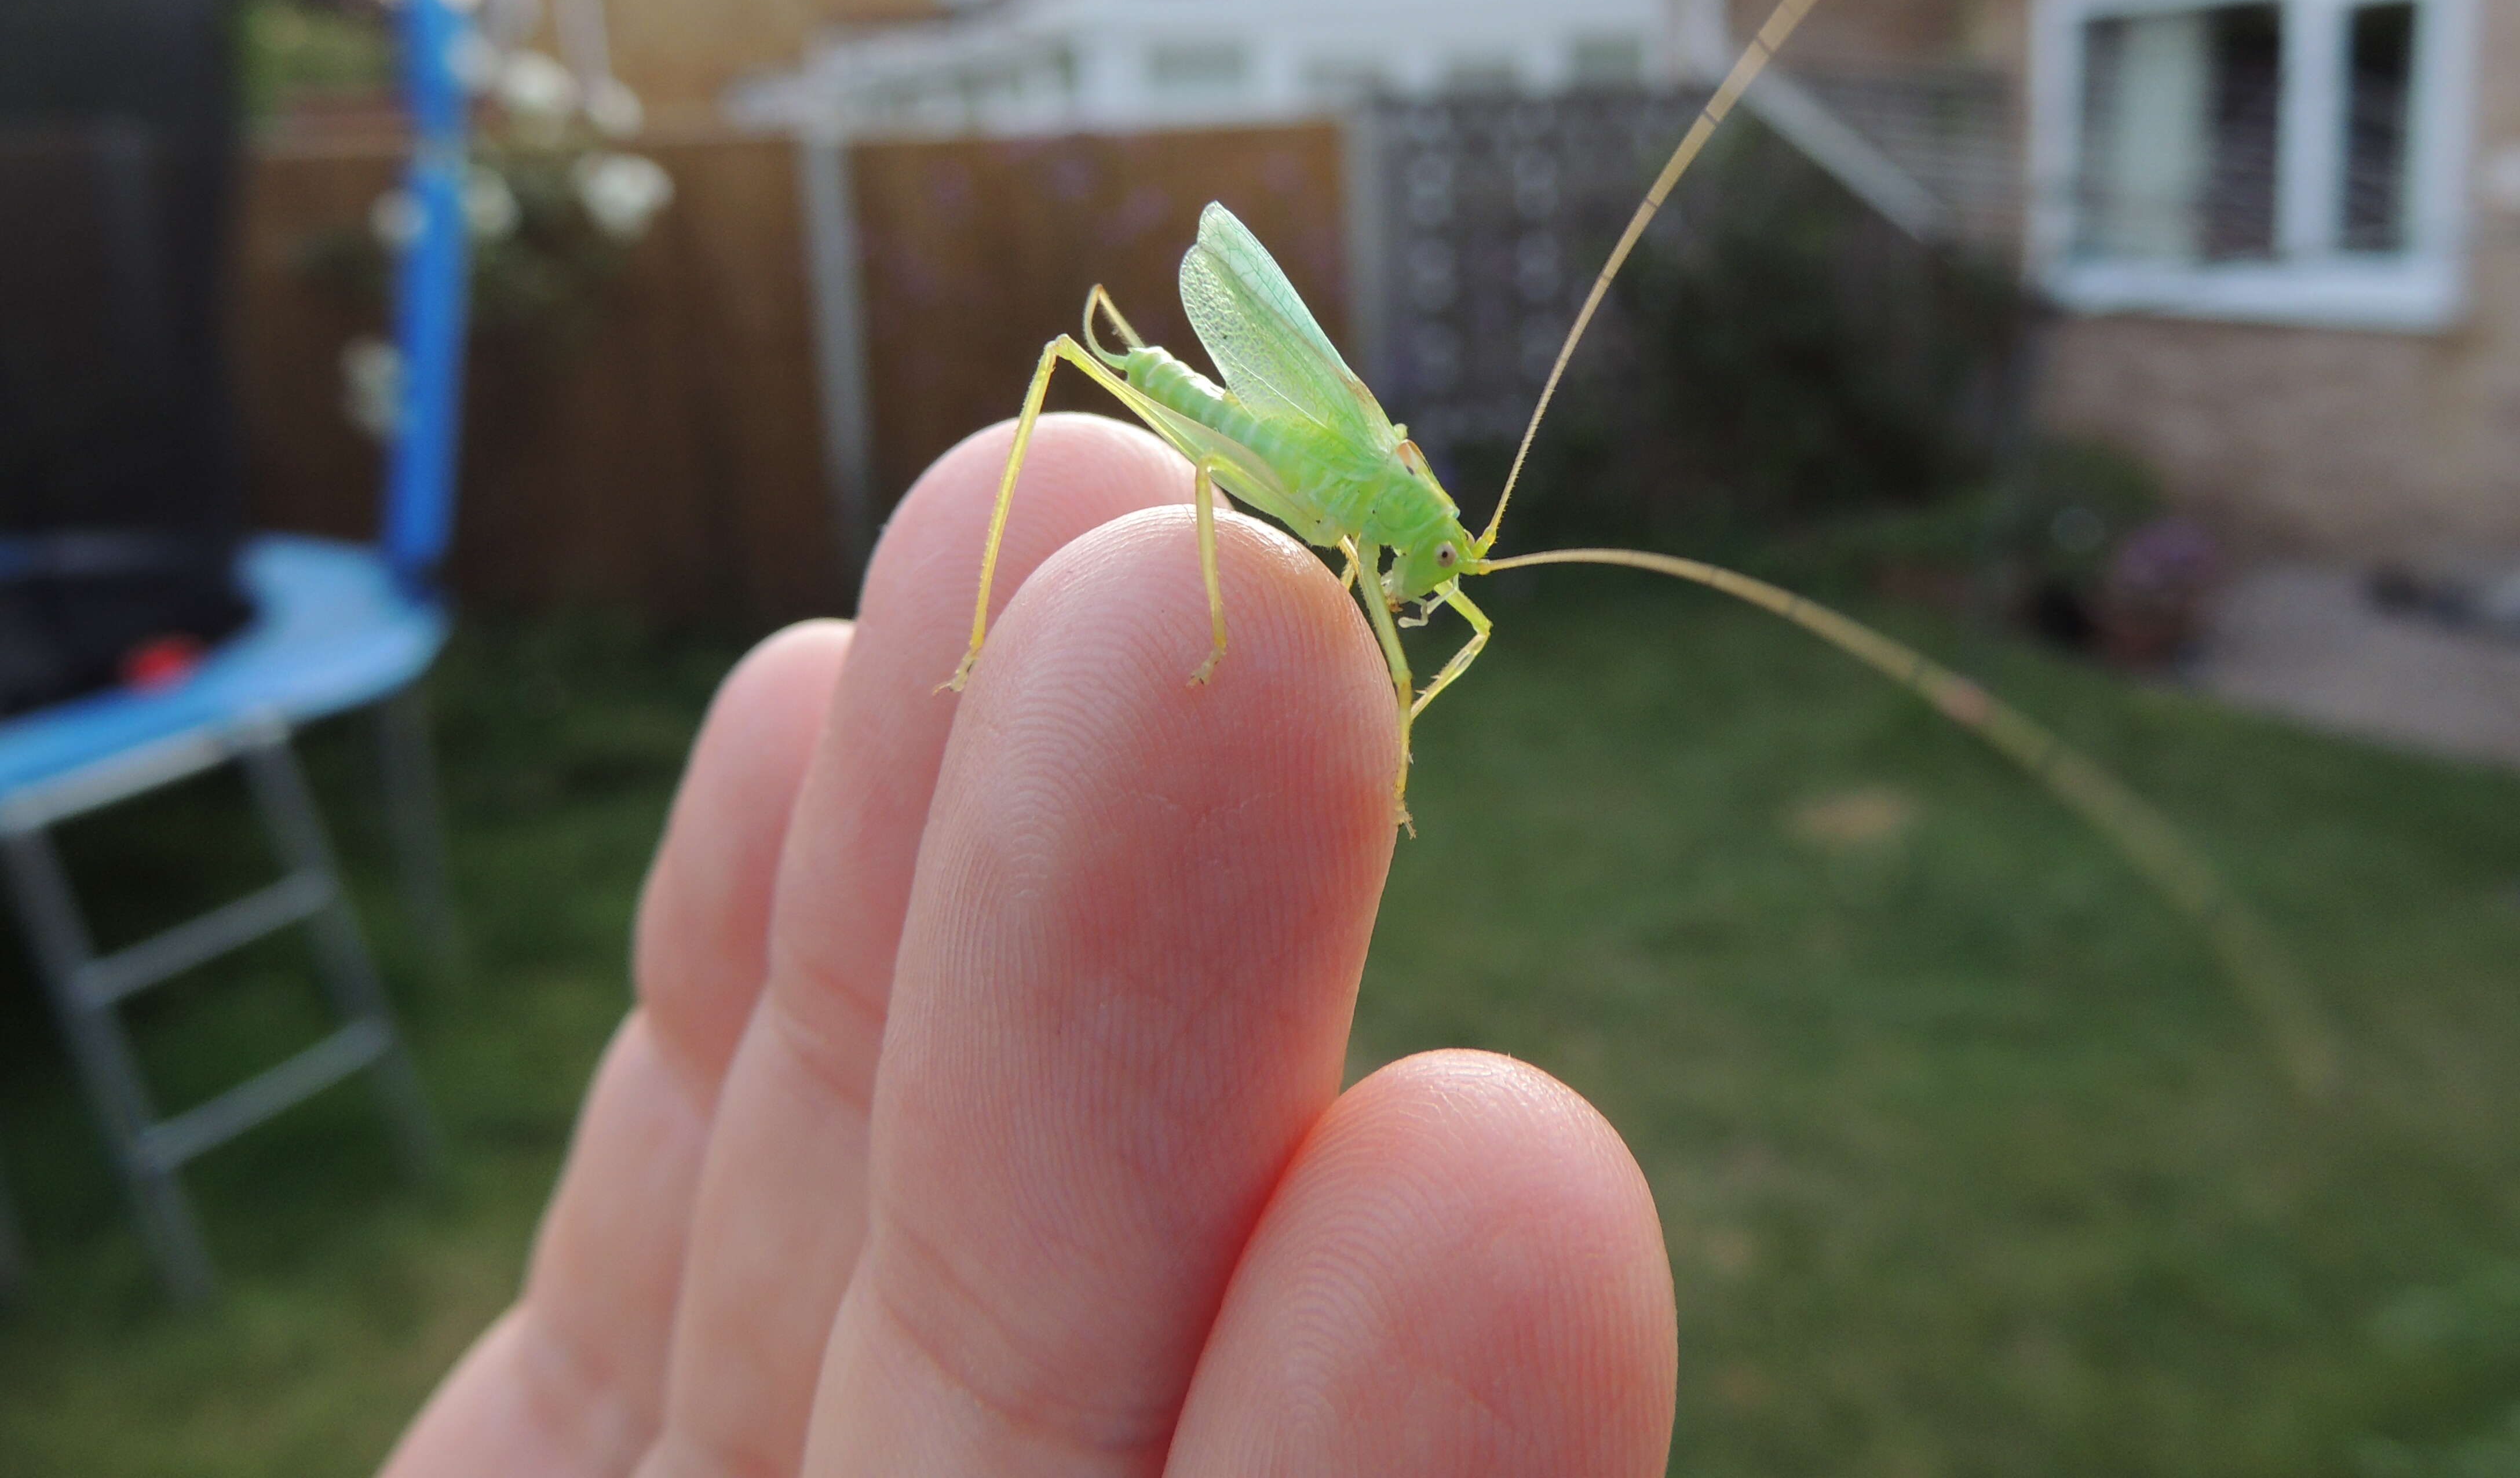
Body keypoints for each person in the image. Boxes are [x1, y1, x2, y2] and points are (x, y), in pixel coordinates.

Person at [382, 415, 1679, 1476]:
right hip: (1271, 441)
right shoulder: (1379, 497)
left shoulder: (1414, 534)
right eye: (1441, 562)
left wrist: (1401, 671)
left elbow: (1405, 581)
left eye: (1444, 566)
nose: (1444, 588)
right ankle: (1140, 635)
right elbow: (1356, 525)